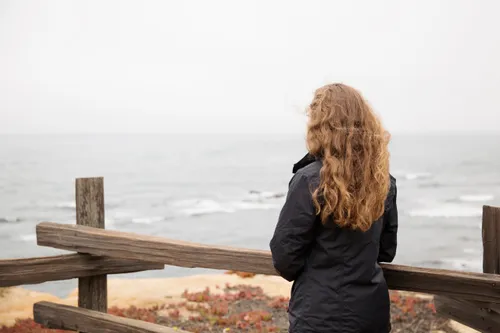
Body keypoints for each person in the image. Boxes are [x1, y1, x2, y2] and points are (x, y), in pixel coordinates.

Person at [270, 83, 398, 333]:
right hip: (371, 314)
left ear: (320, 126)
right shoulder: (383, 180)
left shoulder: (310, 180)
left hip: (318, 316)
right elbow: (386, 251)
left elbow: (285, 256)